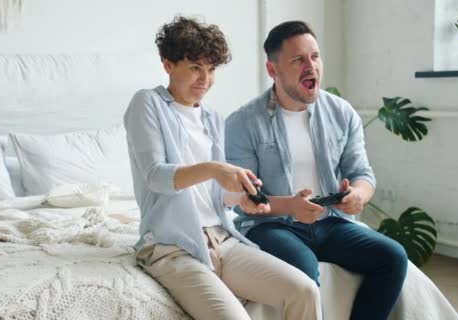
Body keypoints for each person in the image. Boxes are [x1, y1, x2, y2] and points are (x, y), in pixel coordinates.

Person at [123, 16, 321, 320]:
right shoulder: (147, 103)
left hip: (223, 240)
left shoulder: (213, 118)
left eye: (211, 69)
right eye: (195, 68)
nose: (205, 79)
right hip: (172, 248)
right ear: (168, 65)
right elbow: (155, 176)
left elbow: (215, 197)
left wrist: (239, 198)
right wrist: (215, 169)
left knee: (304, 291)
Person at [225, 20, 408, 320]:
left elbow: (362, 172)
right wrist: (291, 207)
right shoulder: (242, 123)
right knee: (304, 270)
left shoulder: (342, 113)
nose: (311, 66)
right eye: (298, 60)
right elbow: (246, 197)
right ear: (273, 70)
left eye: (315, 56)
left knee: (393, 257)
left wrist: (357, 195)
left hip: (331, 222)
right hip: (272, 226)